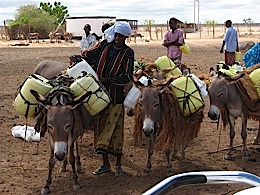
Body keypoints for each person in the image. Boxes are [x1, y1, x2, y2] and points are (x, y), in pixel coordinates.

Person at [83, 22, 134, 176]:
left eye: (122, 36)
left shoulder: (128, 53)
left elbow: (127, 76)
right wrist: (80, 57)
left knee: (116, 132)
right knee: (100, 130)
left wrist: (109, 81)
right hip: (100, 97)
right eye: (117, 35)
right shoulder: (104, 45)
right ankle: (105, 164)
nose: (118, 38)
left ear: (126, 37)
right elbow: (89, 54)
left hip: (116, 97)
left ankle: (118, 165)